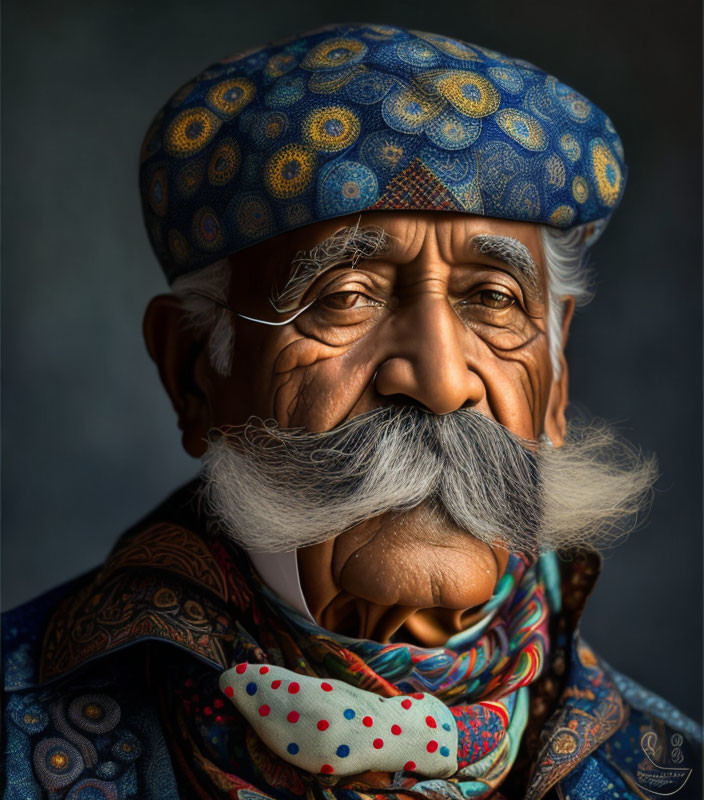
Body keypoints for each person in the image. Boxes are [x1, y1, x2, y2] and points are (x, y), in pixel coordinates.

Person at [2, 23, 701, 800]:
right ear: (195, 371)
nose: (440, 380)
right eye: (345, 297)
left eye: (494, 300)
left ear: (558, 375)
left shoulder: (668, 771)